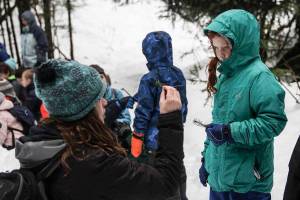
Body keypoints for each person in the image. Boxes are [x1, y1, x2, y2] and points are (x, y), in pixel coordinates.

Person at [14, 59, 184, 200]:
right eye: (98, 98)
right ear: (83, 110)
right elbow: (165, 183)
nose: (105, 102)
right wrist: (170, 120)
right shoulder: (92, 164)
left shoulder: (44, 144)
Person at [199, 9, 287, 200]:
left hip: (249, 185)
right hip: (221, 181)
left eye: (226, 47)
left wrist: (230, 132)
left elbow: (274, 121)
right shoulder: (227, 77)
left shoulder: (259, 77)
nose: (220, 54)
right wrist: (207, 160)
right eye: (216, 47)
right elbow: (217, 123)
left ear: (242, 44)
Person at [130, 31, 188, 200]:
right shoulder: (178, 75)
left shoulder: (148, 79)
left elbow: (144, 111)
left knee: (159, 184)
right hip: (174, 138)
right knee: (177, 175)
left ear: (148, 52)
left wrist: (137, 135)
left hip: (152, 144)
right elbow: (182, 107)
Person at [90, 64, 132, 150]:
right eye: (96, 79)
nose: (100, 81)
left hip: (121, 135)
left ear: (105, 77)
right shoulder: (90, 98)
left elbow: (126, 117)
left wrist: (116, 124)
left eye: (101, 77)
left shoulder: (116, 93)